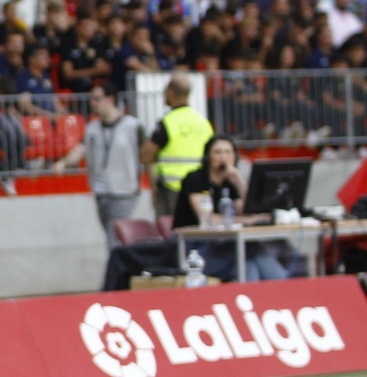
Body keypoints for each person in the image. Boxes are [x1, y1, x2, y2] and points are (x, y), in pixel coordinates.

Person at [172, 133, 291, 283]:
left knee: (248, 265)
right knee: (251, 248)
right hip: (195, 250)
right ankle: (287, 286)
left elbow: (248, 208)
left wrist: (238, 179)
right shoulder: (195, 179)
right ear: (208, 156)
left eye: (228, 152)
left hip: (223, 245)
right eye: (218, 152)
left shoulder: (229, 182)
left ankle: (271, 292)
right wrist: (249, 220)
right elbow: (209, 219)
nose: (224, 157)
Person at [55, 86, 144, 250]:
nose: (93, 103)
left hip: (124, 191)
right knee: (113, 237)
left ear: (110, 99)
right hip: (101, 191)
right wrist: (64, 162)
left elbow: (146, 155)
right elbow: (80, 149)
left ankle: (115, 267)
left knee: (114, 238)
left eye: (97, 99)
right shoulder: (92, 128)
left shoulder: (133, 126)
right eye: (92, 99)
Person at [140, 73, 211, 218]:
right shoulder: (203, 122)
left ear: (170, 92)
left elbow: (146, 155)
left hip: (172, 188)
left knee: (169, 227)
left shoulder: (168, 122)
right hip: (199, 187)